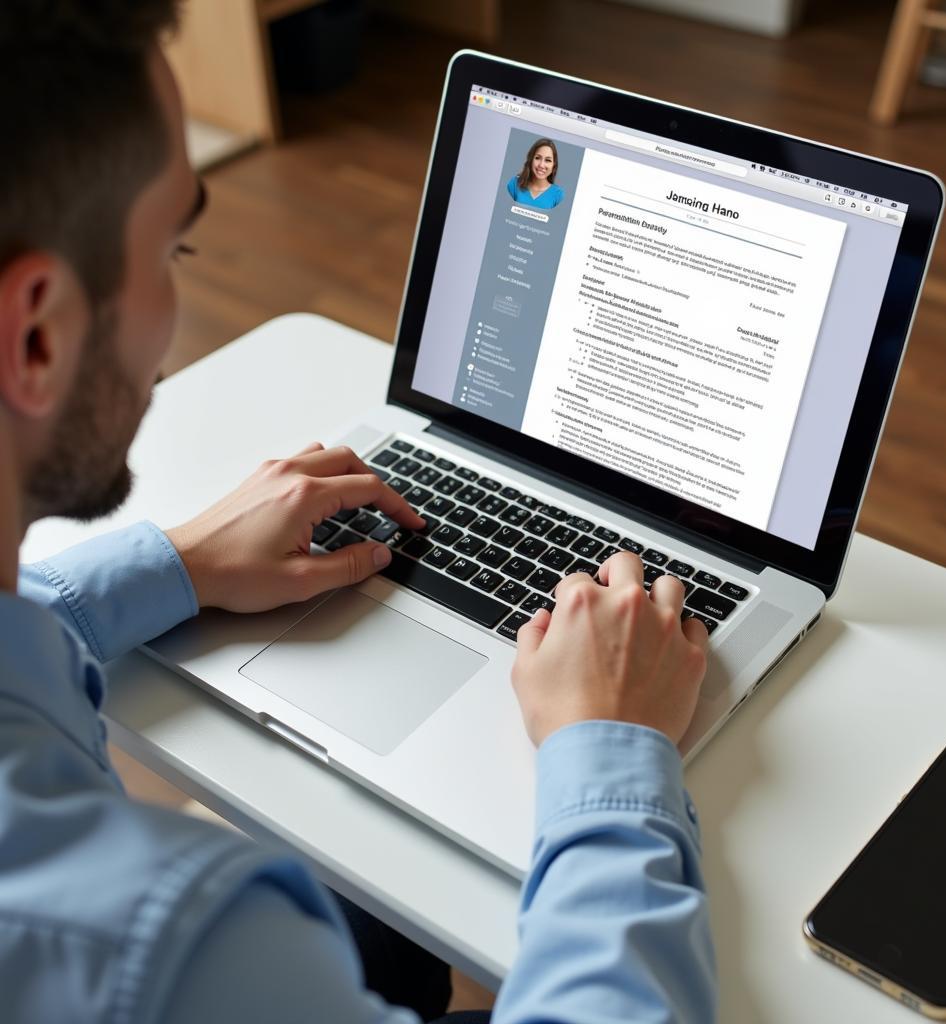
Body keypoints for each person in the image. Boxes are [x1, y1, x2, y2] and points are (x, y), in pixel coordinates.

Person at [0, 3, 715, 1022]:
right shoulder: (171, 949)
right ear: (34, 338)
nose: (171, 308)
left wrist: (177, 561)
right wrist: (608, 747)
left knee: (373, 910)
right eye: (174, 252)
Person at [505, 138, 565, 208]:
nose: (541, 165)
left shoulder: (558, 194)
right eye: (537, 158)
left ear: (553, 165)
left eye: (548, 160)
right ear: (531, 159)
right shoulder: (514, 184)